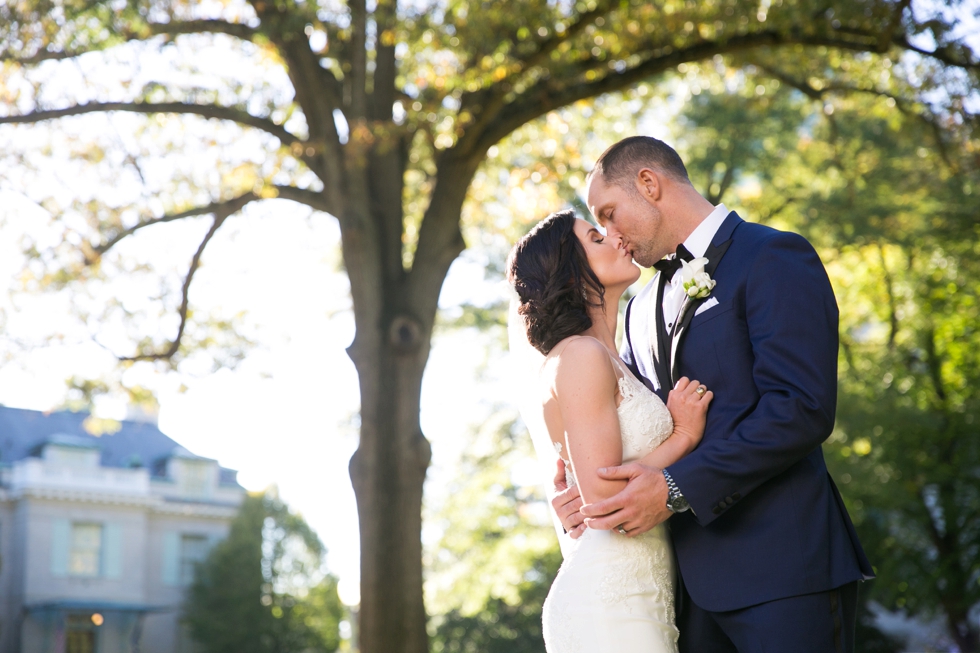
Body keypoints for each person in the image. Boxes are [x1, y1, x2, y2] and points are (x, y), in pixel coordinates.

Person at [551, 135, 874, 653]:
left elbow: (801, 409)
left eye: (610, 214)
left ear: (649, 184)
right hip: (683, 595)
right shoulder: (634, 309)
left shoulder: (771, 256)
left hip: (783, 573)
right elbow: (633, 426)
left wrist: (675, 487)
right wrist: (589, 496)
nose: (610, 235)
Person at [508, 209, 713, 653]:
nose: (617, 239)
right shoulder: (579, 355)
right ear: (570, 275)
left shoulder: (615, 359)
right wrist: (682, 437)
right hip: (609, 603)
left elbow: (589, 488)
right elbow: (602, 500)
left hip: (647, 595)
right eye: (597, 238)